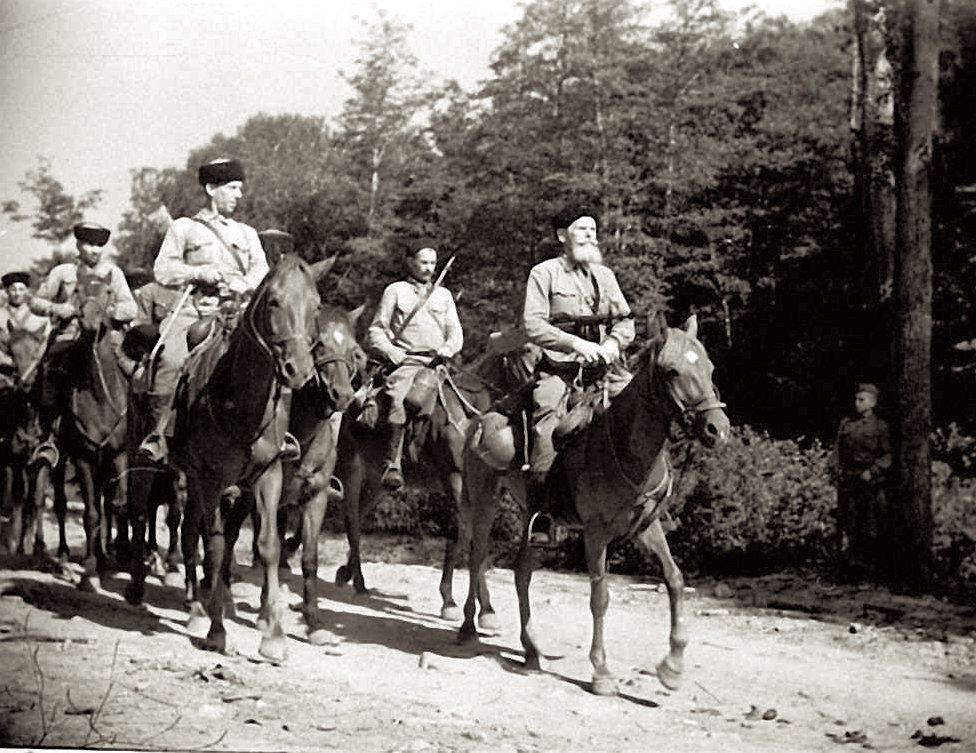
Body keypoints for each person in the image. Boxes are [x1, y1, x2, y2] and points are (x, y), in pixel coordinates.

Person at [139, 158, 270, 462]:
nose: (240, 195)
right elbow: (163, 270)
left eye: (240, 189)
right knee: (170, 359)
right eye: (233, 188)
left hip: (236, 312)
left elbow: (262, 274)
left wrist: (241, 284)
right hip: (193, 310)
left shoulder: (248, 234)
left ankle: (276, 435)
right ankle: (157, 435)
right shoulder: (184, 228)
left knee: (272, 357)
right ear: (212, 189)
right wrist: (200, 273)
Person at [522, 206, 635, 480]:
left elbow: (626, 321)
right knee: (545, 419)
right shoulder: (544, 273)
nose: (590, 234)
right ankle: (542, 511)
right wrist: (574, 344)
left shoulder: (605, 276)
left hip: (606, 370)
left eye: (593, 230)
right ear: (562, 235)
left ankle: (649, 492)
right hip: (559, 370)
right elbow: (533, 325)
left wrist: (611, 345)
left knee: (645, 403)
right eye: (582, 228)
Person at [28, 222, 138, 466]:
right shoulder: (63, 272)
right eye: (89, 244)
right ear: (78, 244)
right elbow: (36, 302)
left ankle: (141, 432)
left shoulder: (114, 273)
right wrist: (57, 308)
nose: (95, 250)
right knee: (49, 372)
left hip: (107, 339)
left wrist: (108, 311)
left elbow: (131, 307)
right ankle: (50, 437)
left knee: (137, 374)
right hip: (70, 336)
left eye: (100, 245)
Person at [366, 239, 463, 488]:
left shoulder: (443, 295)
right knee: (400, 398)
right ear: (410, 262)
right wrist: (390, 350)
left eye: (433, 263)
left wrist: (448, 348)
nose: (429, 268)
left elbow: (456, 332)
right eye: (423, 262)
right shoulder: (395, 290)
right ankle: (393, 462)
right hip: (407, 362)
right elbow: (376, 330)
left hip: (439, 363)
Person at [831, 383, 892, 575]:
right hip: (849, 481)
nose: (857, 403)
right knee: (849, 523)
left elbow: (887, 456)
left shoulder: (881, 427)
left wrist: (873, 471)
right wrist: (834, 472)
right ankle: (850, 567)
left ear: (872, 403)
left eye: (862, 400)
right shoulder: (847, 424)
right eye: (856, 399)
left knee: (872, 524)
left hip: (869, 483)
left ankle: (872, 568)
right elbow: (837, 451)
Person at [0, 271, 50, 370]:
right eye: (13, 289)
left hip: (33, 371)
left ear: (27, 291)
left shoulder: (40, 318)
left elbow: (47, 343)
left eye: (21, 289)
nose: (17, 293)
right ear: (6, 291)